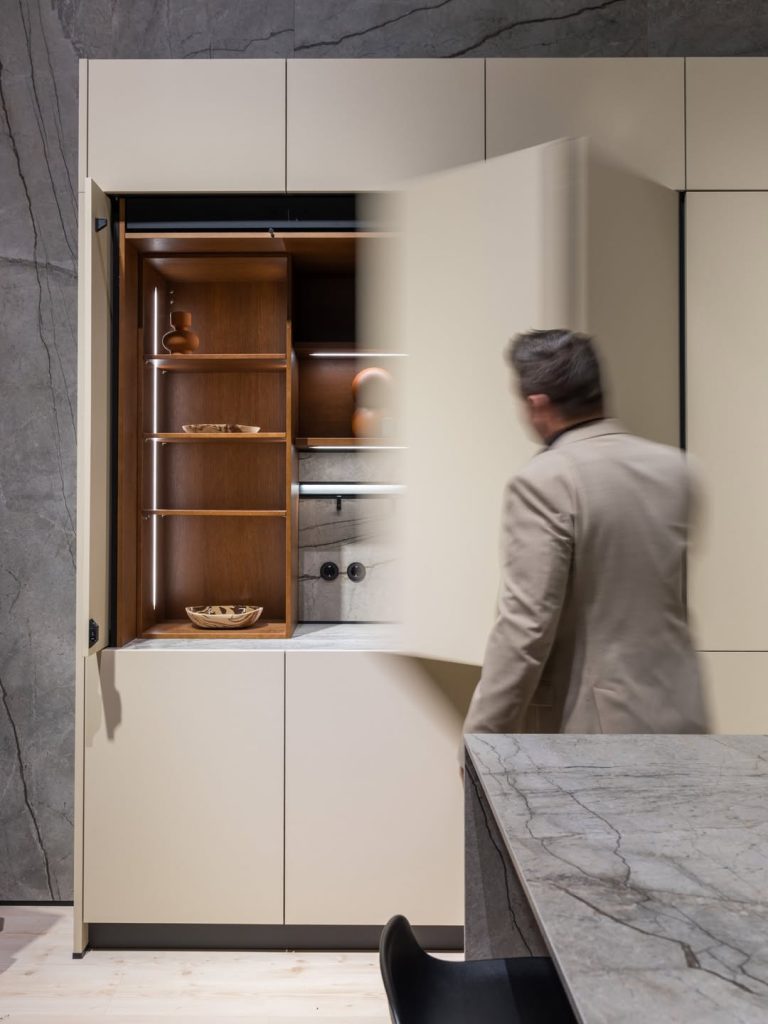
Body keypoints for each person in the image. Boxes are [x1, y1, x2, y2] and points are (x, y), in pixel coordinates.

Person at [462, 329, 708, 742]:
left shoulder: (545, 480)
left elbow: (525, 628)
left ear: (538, 404)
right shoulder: (676, 470)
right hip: (683, 715)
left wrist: (482, 739)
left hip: (598, 734)